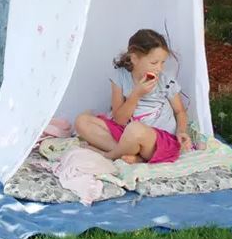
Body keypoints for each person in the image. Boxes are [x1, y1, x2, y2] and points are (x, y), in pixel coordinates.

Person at [75, 29, 192, 164]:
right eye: (154, 63)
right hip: (127, 132)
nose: (159, 68)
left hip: (156, 140)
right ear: (134, 58)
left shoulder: (165, 81)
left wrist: (181, 132)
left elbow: (180, 111)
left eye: (162, 62)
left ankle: (109, 155)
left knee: (135, 129)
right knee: (82, 121)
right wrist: (136, 94)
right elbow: (119, 120)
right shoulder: (120, 77)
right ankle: (134, 155)